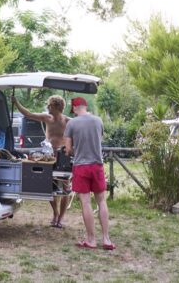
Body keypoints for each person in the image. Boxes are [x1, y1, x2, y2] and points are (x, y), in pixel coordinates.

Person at [64, 97, 114, 251]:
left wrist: (75, 149)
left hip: (81, 166)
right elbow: (99, 139)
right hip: (97, 166)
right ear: (85, 106)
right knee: (101, 201)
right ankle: (106, 239)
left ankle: (91, 240)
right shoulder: (98, 121)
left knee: (86, 202)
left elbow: (68, 150)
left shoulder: (71, 123)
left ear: (75, 108)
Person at [13, 94, 71, 227]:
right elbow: (28, 114)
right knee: (49, 185)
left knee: (65, 187)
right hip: (48, 155)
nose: (48, 107)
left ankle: (61, 218)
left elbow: (80, 128)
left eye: (50, 105)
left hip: (63, 156)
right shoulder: (47, 117)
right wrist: (16, 102)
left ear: (56, 107)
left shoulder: (68, 121)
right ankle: (55, 213)